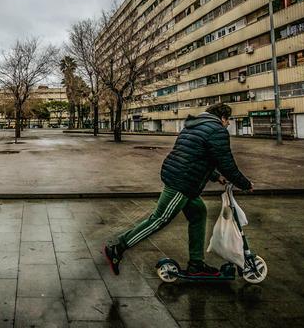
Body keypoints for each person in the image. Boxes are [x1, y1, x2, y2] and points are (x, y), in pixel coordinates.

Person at [103, 102, 253, 277]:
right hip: (182, 183)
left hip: (182, 180)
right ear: (222, 117)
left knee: (198, 213)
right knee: (159, 219)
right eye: (229, 120)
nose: (228, 124)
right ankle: (118, 248)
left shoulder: (194, 126)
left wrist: (215, 176)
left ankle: (196, 264)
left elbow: (196, 155)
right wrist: (245, 184)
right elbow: (226, 163)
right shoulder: (217, 130)